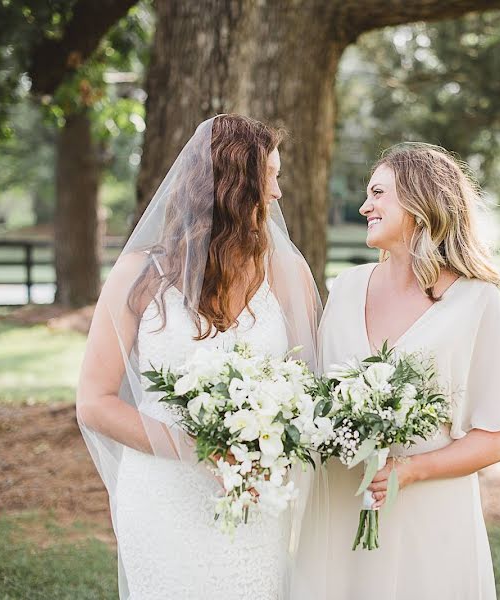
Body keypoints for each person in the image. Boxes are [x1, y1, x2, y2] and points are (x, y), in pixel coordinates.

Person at [75, 114, 322, 599]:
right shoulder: (137, 274)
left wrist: (263, 452)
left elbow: (307, 392)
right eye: (270, 179)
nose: (277, 195)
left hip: (253, 498)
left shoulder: (288, 273)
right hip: (162, 494)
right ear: (235, 188)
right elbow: (94, 402)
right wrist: (204, 451)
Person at [299, 142, 500, 599]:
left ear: (420, 201)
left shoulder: (477, 301)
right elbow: (315, 396)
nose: (366, 206)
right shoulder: (345, 289)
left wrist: (410, 470)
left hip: (428, 515)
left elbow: (496, 438)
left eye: (378, 193)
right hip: (339, 503)